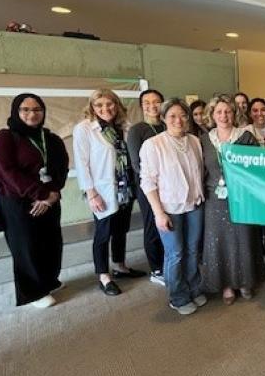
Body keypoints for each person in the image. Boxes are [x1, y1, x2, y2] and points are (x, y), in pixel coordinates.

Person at [0, 93, 69, 308]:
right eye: (25, 109)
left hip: (50, 200)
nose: (32, 114)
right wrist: (40, 194)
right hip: (18, 203)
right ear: (16, 111)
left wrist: (51, 194)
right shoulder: (4, 138)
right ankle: (33, 293)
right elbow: (7, 172)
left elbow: (61, 169)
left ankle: (49, 281)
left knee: (52, 243)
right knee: (26, 246)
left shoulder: (51, 139)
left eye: (37, 109)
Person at [74, 89, 146, 297]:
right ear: (92, 108)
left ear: (117, 105)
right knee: (103, 233)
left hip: (124, 188)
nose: (105, 109)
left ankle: (120, 265)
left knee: (121, 229)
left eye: (110, 104)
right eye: (99, 106)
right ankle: (104, 276)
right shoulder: (85, 129)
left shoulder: (125, 127)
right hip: (102, 189)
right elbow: (82, 163)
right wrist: (91, 193)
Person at [139, 99, 206, 315]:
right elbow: (147, 182)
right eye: (172, 116)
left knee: (193, 250)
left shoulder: (194, 140)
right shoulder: (153, 144)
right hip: (169, 208)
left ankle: (193, 288)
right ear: (164, 118)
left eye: (183, 115)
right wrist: (158, 213)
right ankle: (177, 296)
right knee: (175, 253)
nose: (179, 120)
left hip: (194, 204)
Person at [200, 97, 264, 304]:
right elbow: (200, 170)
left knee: (243, 239)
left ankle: (245, 281)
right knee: (219, 242)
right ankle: (225, 285)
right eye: (219, 112)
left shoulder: (245, 137)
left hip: (241, 198)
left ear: (234, 113)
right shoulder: (203, 140)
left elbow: (257, 168)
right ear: (212, 115)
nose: (223, 116)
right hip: (214, 199)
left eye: (227, 111)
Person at [127, 89, 166, 286]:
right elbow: (137, 164)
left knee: (167, 225)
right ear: (142, 106)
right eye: (147, 102)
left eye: (156, 101)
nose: (152, 106)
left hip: (169, 187)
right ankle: (156, 268)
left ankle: (167, 262)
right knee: (152, 226)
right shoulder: (137, 130)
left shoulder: (168, 125)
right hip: (148, 188)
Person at [243, 97, 265, 275]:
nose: (259, 114)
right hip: (253, 187)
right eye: (255, 110)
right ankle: (257, 262)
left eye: (263, 110)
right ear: (250, 113)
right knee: (255, 229)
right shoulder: (243, 132)